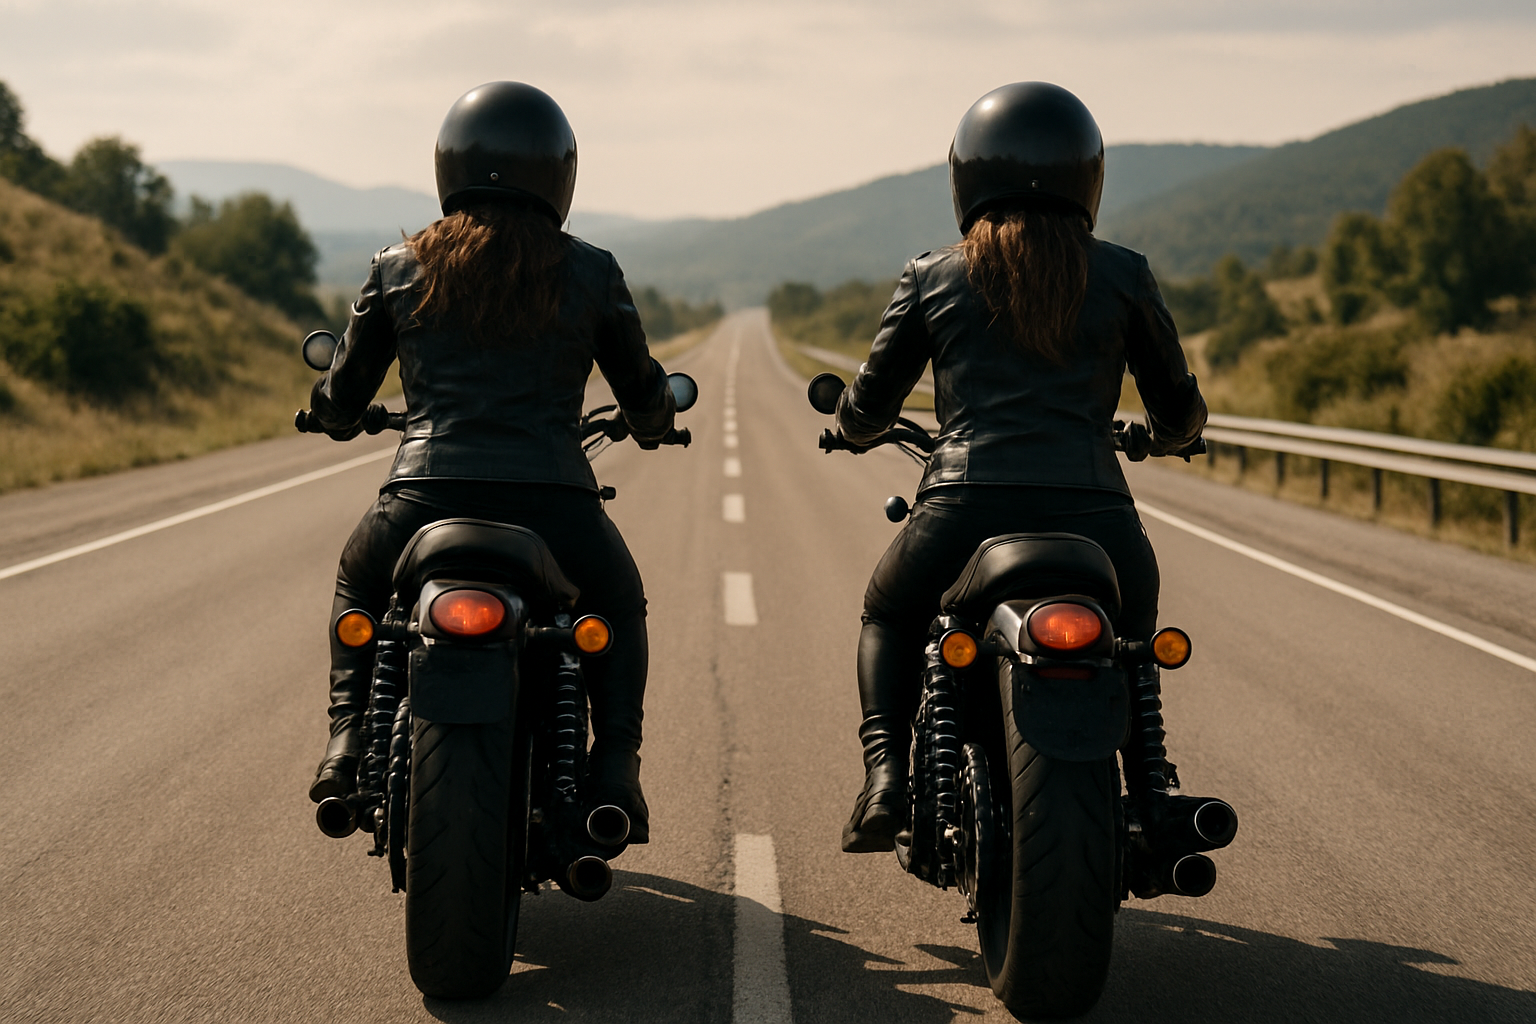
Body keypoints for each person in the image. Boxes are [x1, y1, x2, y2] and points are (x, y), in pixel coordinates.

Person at [835, 82, 1207, 853]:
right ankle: (1152, 789)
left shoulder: (931, 275)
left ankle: (887, 780)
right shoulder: (1125, 274)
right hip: (1098, 518)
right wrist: (1167, 436)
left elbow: (869, 408)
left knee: (888, 615)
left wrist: (849, 423)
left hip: (961, 510)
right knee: (1132, 648)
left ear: (966, 176)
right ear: (1088, 175)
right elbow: (1178, 410)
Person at [305, 82, 675, 843]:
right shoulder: (592, 270)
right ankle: (615, 770)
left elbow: (343, 395)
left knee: (360, 584)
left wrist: (333, 413)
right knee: (617, 602)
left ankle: (346, 742)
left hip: (422, 494)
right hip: (554, 501)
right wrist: (651, 422)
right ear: (559, 171)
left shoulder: (397, 265)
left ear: (451, 165)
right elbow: (643, 392)